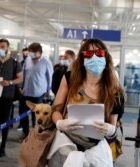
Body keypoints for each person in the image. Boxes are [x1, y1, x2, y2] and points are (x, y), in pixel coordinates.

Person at [48, 38, 125, 167]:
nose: (94, 57)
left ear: (106, 57)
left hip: (96, 151)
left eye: (99, 53)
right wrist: (60, 123)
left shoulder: (115, 91)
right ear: (82, 58)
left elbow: (113, 127)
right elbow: (56, 109)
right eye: (89, 54)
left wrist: (110, 130)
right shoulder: (69, 78)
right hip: (65, 145)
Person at [19, 42, 53, 140]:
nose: (31, 54)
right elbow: (24, 74)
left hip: (39, 94)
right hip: (26, 92)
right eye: (30, 52)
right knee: (23, 115)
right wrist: (21, 87)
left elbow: (49, 77)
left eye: (34, 52)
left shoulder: (46, 62)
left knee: (37, 117)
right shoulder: (27, 60)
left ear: (40, 52)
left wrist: (49, 90)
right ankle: (25, 133)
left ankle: (36, 135)